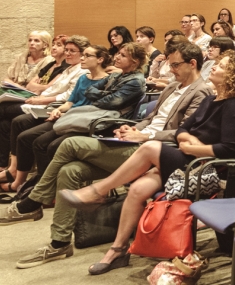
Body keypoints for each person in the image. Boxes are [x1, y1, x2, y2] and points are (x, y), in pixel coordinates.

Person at [0, 42, 212, 269]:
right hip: (136, 141)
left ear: (192, 64)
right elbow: (151, 119)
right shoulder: (172, 87)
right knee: (69, 171)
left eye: (176, 65)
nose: (171, 70)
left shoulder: (201, 92)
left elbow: (184, 132)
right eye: (170, 65)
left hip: (154, 151)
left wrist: (145, 137)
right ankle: (59, 243)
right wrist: (131, 129)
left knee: (70, 143)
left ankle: (34, 201)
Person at [57, 51, 235, 275]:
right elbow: (182, 129)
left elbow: (228, 149)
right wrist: (187, 140)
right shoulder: (211, 99)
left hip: (205, 168)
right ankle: (117, 250)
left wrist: (192, 148)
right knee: (138, 188)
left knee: (149, 147)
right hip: (185, 159)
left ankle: (98, 191)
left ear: (234, 75)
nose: (215, 67)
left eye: (222, 66)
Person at [2, 43, 109, 193]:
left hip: (82, 121)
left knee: (41, 143)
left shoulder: (108, 81)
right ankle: (31, 182)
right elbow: (70, 102)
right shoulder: (83, 78)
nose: (83, 59)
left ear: (100, 60)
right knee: (25, 137)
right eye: (83, 55)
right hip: (67, 116)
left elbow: (95, 108)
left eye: (87, 56)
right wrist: (59, 110)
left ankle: (46, 188)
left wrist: (64, 111)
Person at [0, 35, 89, 171]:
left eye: (72, 51)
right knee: (5, 124)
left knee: (14, 119)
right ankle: (9, 167)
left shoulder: (81, 71)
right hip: (41, 101)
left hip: (50, 106)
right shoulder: (68, 68)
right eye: (67, 50)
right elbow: (40, 86)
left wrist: (41, 99)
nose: (67, 54)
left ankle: (15, 171)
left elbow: (66, 96)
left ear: (83, 54)